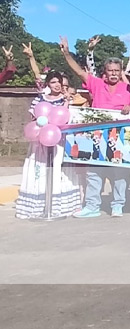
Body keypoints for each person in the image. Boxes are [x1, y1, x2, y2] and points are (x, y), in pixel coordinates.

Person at [60, 36, 130, 218]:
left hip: (120, 137)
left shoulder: (128, 88)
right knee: (94, 172)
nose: (114, 73)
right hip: (96, 136)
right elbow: (79, 72)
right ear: (104, 72)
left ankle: (117, 206)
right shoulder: (97, 84)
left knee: (120, 173)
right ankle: (92, 206)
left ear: (121, 72)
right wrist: (67, 54)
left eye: (117, 70)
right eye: (110, 70)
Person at [15, 72, 82, 219]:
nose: (57, 85)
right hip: (40, 141)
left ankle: (57, 206)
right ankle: (39, 205)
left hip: (58, 141)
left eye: (59, 82)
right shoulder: (40, 99)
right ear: (48, 85)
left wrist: (66, 101)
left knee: (57, 170)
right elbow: (34, 117)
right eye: (53, 82)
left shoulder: (66, 100)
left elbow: (65, 118)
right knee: (40, 171)